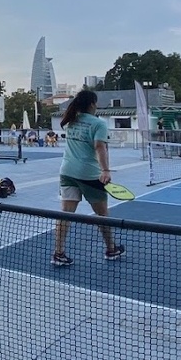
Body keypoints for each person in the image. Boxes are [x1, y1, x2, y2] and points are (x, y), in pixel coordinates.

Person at [51, 90, 125, 267]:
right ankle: (111, 249)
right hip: (90, 175)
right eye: (96, 103)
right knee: (102, 215)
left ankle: (58, 253)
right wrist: (106, 170)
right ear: (92, 104)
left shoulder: (71, 121)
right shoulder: (98, 123)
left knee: (65, 215)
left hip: (67, 172)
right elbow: (100, 147)